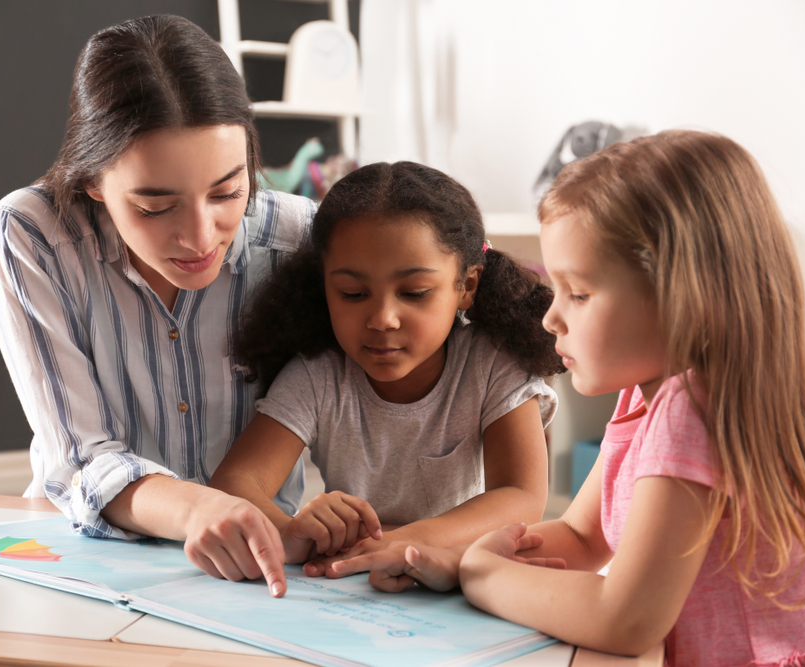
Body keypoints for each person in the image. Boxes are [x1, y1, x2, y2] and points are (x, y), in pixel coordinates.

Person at [335, 131, 805, 664]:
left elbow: (626, 620)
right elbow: (581, 536)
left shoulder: (693, 409)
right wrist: (454, 560)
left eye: (580, 293)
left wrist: (484, 574)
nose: (552, 318)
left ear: (684, 296)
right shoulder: (646, 399)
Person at [0, 15, 317, 598]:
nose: (201, 236)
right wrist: (195, 509)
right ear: (91, 182)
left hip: (262, 567)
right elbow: (82, 456)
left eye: (228, 191)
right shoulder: (32, 235)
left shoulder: (296, 238)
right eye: (155, 207)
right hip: (83, 558)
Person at [209, 161, 562, 573]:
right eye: (353, 293)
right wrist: (288, 532)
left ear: (465, 287)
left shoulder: (492, 364)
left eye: (414, 293)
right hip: (358, 582)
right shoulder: (318, 376)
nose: (382, 319)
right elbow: (234, 485)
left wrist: (401, 543)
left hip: (464, 573)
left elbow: (521, 496)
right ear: (324, 289)